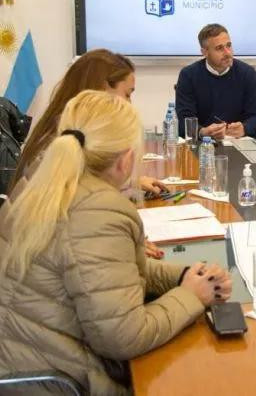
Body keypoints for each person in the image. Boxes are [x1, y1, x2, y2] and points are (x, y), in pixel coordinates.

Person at [0, 90, 232, 394]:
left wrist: (182, 276)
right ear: (126, 159)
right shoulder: (97, 213)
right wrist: (191, 297)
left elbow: (105, 273)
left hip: (26, 362)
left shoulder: (47, 185)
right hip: (56, 381)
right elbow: (123, 337)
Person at [9, 49, 167, 258]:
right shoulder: (63, 142)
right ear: (101, 91)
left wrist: (130, 184)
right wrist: (124, 240)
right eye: (127, 94)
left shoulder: (67, 130)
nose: (129, 104)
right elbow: (75, 219)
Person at [176, 23, 256, 140]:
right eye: (219, 48)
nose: (227, 53)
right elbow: (183, 121)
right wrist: (202, 132)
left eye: (229, 45)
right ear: (204, 52)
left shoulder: (247, 73)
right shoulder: (188, 75)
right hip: (205, 144)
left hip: (240, 142)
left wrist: (244, 128)